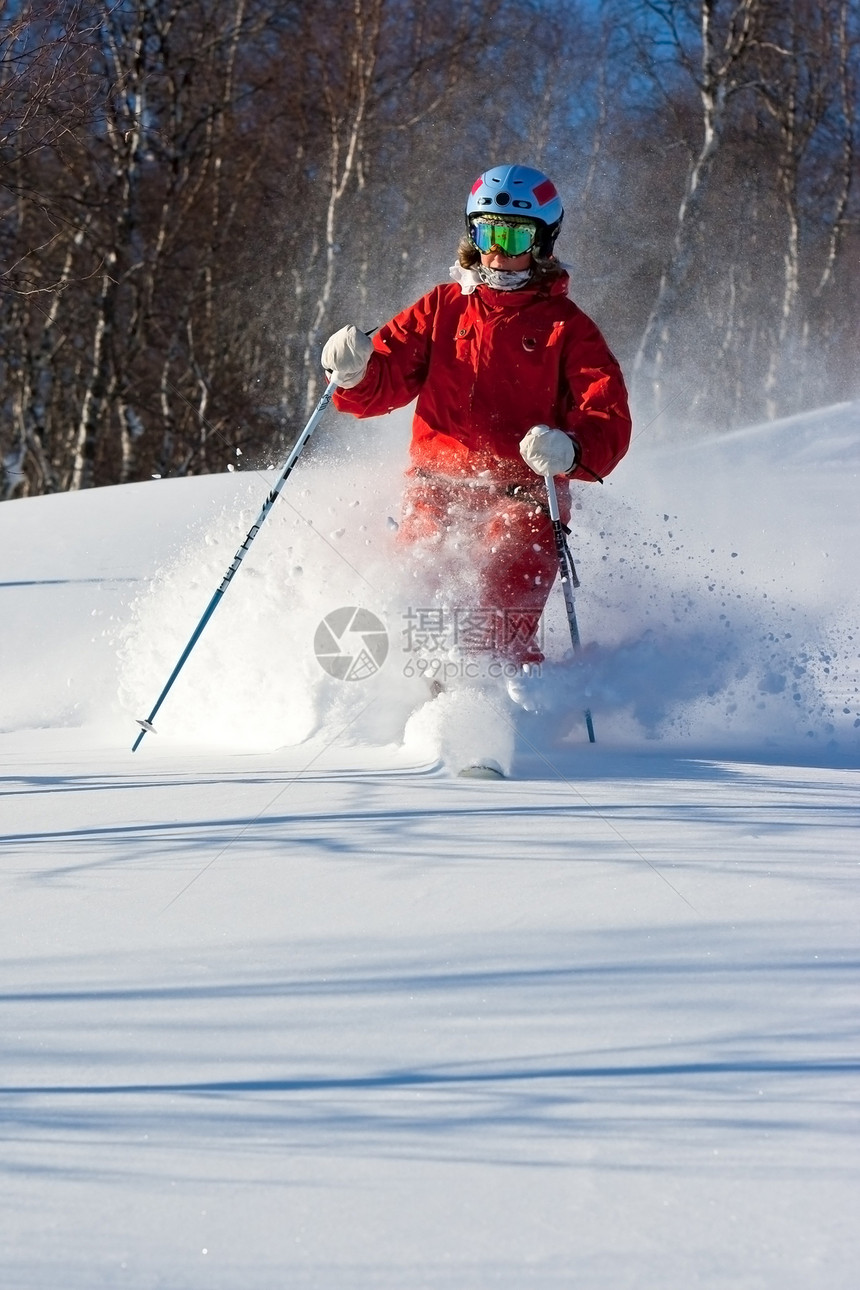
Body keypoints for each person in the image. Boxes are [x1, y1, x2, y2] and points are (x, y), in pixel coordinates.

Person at [321, 163, 632, 673]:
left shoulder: (567, 329)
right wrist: (355, 375)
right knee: (418, 604)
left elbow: (608, 416)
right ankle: (412, 711)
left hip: (524, 497)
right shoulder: (443, 308)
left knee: (497, 612)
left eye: (515, 235)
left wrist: (571, 450)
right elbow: (385, 383)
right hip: (435, 491)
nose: (498, 249)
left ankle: (490, 725)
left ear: (543, 241)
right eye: (488, 230)